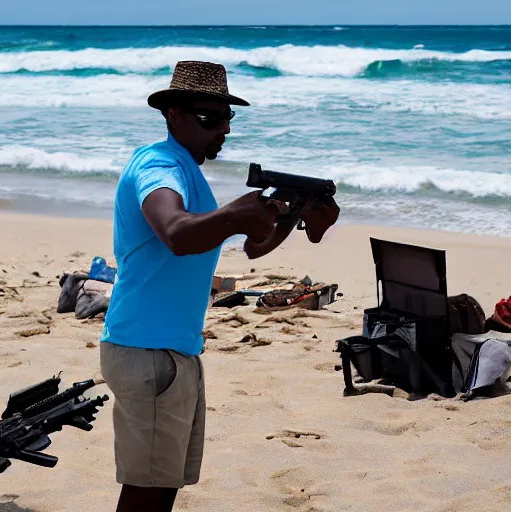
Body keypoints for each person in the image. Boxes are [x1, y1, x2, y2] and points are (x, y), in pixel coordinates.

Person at [99, 61, 339, 512]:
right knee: (146, 491)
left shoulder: (187, 170)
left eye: (229, 118)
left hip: (171, 350)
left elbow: (253, 247)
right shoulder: (158, 165)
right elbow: (174, 230)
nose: (223, 129)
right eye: (210, 118)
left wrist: (295, 213)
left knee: (163, 484)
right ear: (173, 113)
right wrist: (234, 216)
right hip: (148, 351)